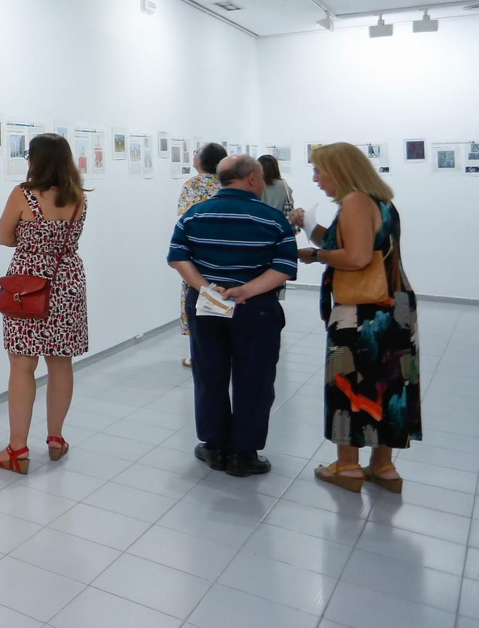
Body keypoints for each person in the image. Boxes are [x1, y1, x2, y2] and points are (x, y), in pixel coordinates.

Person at [294, 143, 421, 494]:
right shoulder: (379, 202)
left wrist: (315, 254)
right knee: (390, 385)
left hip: (362, 311)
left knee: (347, 385)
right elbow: (359, 244)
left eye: (319, 171)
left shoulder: (354, 202)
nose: (316, 179)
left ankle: (347, 467)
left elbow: (357, 257)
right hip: (394, 303)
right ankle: (384, 468)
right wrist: (311, 228)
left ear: (341, 171)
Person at [168, 155, 297, 477]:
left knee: (209, 376)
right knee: (254, 378)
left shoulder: (194, 215)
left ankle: (214, 448)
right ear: (253, 178)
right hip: (256, 309)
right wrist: (248, 290)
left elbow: (177, 256)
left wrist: (206, 287)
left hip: (207, 307)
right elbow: (285, 267)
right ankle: (244, 453)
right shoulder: (272, 219)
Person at [0, 134, 88, 475]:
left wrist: (30, 242)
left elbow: (4, 237)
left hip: (27, 284)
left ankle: (17, 450)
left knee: (22, 366)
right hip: (67, 281)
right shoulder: (78, 198)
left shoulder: (24, 194)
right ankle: (56, 439)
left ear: (34, 159)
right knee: (61, 362)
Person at [175, 143, 227, 368]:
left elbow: (185, 219)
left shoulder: (193, 185)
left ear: (203, 161)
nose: (193, 156)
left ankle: (201, 355)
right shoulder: (226, 184)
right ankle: (225, 352)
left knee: (199, 301)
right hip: (226, 254)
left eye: (197, 153)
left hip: (198, 257)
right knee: (224, 301)